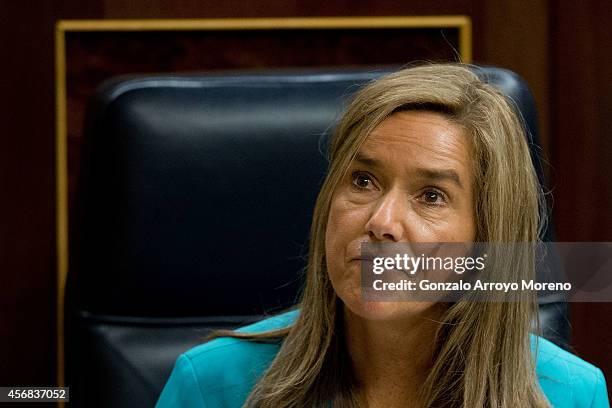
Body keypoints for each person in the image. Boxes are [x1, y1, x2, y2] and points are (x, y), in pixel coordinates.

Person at [156, 63, 609, 408]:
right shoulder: (210, 384)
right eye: (363, 181)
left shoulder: (571, 394)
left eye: (431, 196)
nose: (382, 221)